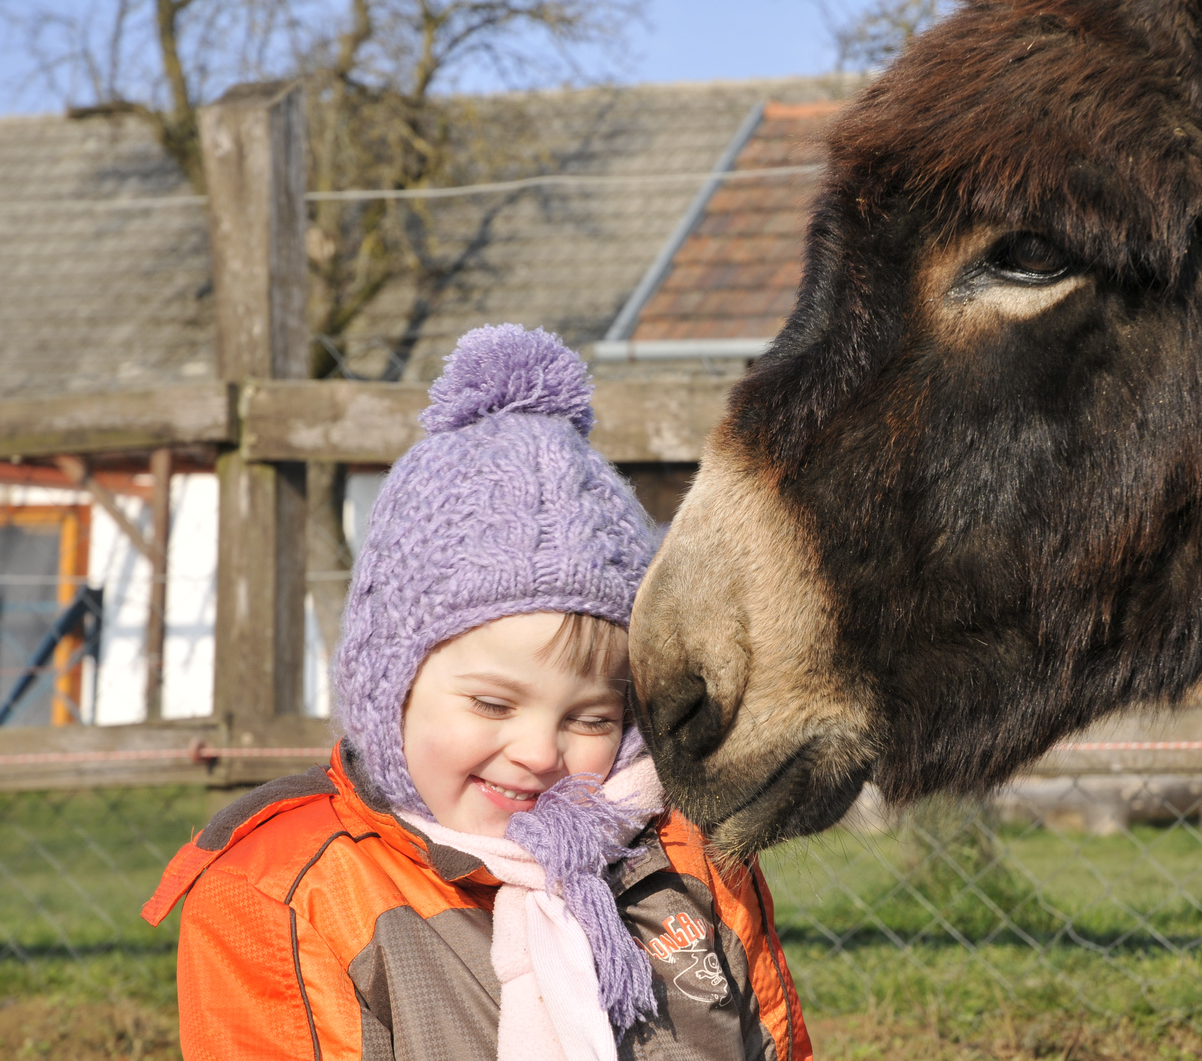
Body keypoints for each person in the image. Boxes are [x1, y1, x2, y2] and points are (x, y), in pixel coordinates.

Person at [142, 324, 812, 1061]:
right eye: (493, 704)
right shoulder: (285, 891)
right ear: (387, 685)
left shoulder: (689, 853)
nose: (536, 752)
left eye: (590, 715)